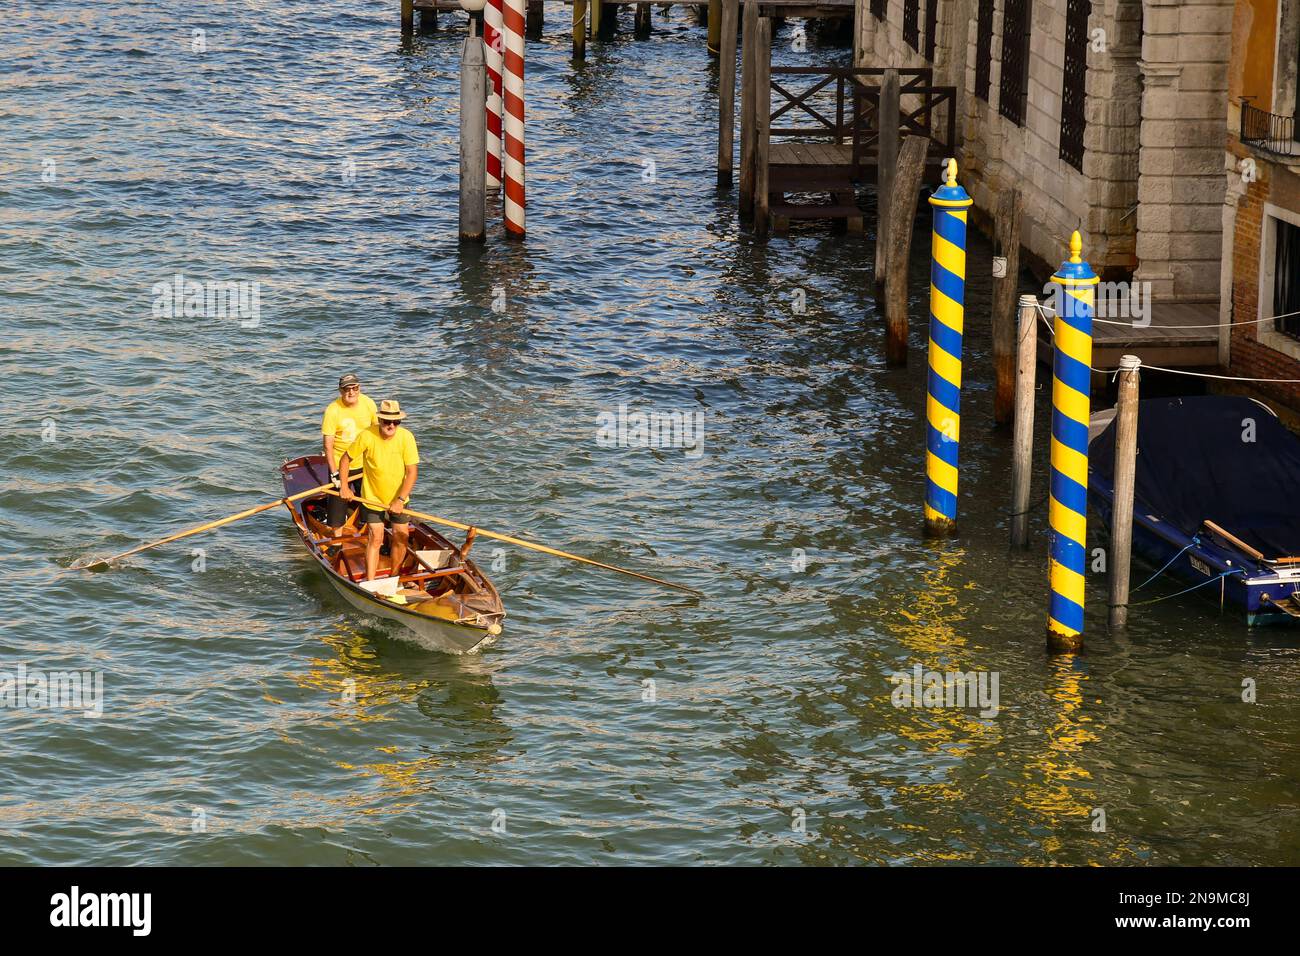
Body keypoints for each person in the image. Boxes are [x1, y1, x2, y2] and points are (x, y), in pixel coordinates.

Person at [338, 400, 420, 583]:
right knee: (376, 537)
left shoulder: (406, 438)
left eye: (396, 422)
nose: (391, 426)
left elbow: (412, 473)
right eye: (387, 422)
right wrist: (344, 486)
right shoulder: (366, 435)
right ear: (380, 420)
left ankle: (394, 577)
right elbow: (345, 460)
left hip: (399, 498)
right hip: (372, 497)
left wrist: (400, 499)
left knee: (401, 536)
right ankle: (371, 582)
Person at [320, 373, 377, 534]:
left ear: (359, 389)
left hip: (364, 464)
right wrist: (334, 474)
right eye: (347, 389)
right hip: (339, 464)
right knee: (337, 508)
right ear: (340, 391)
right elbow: (328, 446)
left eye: (355, 388)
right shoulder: (333, 410)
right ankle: (337, 541)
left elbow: (377, 434)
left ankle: (368, 534)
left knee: (370, 504)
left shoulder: (369, 404)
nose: (351, 392)